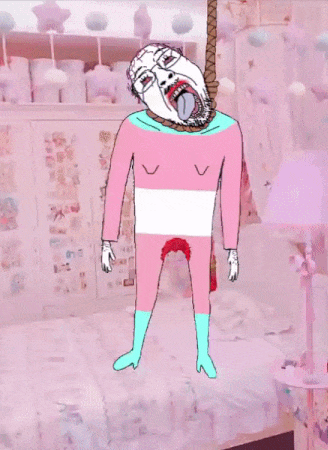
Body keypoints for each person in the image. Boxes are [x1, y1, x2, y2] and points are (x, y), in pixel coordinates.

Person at [101, 44, 243, 378]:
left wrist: (232, 246)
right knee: (146, 289)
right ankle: (136, 350)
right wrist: (108, 237)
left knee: (201, 292)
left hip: (196, 225)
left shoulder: (226, 130)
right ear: (143, 100)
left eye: (168, 61)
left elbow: (231, 192)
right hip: (152, 223)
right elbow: (116, 182)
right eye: (146, 80)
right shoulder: (135, 127)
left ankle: (204, 353)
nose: (164, 77)